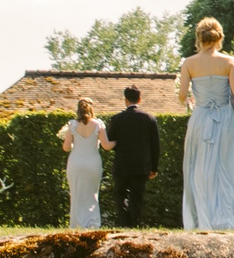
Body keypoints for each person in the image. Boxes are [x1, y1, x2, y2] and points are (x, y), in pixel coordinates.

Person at [175, 17, 234, 231]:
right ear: (219, 37)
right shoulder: (229, 61)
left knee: (198, 169)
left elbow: (182, 95)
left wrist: (193, 100)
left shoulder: (189, 63)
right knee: (225, 167)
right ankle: (224, 218)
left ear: (199, 38)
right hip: (224, 117)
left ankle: (202, 219)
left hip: (200, 117)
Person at [103, 85, 161, 226]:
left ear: (125, 100)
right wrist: (154, 167)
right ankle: (135, 223)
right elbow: (155, 145)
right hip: (141, 164)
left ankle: (124, 222)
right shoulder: (149, 119)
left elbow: (110, 141)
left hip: (122, 164)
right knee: (137, 196)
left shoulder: (117, 119)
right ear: (140, 99)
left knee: (120, 194)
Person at [60, 98, 109, 229]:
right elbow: (106, 145)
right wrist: (117, 142)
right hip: (92, 162)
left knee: (76, 193)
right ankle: (92, 222)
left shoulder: (72, 125)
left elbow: (66, 148)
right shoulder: (98, 124)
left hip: (76, 162)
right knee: (93, 193)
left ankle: (77, 223)